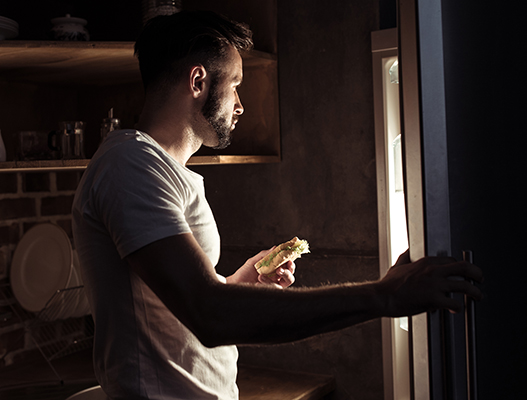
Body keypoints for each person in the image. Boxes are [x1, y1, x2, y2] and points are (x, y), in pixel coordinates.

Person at [72, 10, 483, 400]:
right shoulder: (131, 166)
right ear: (198, 81)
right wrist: (385, 296)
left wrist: (239, 283)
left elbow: (184, 304)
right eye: (234, 85)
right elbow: (208, 314)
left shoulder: (158, 169)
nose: (240, 105)